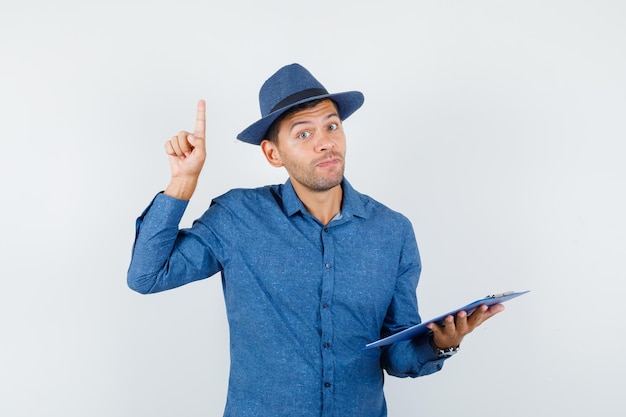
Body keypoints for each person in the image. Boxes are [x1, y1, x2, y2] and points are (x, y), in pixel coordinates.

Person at [127, 63, 505, 417]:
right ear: (273, 153)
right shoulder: (237, 216)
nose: (325, 143)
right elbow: (147, 276)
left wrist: (441, 344)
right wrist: (182, 183)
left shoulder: (393, 231)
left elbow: (397, 355)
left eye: (332, 126)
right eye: (303, 133)